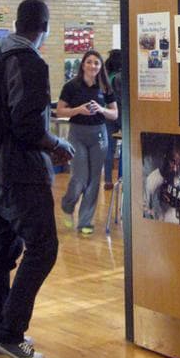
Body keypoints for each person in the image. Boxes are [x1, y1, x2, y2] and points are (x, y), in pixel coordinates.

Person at [0, 0, 75, 358]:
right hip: (19, 176)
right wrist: (57, 145)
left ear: (17, 23)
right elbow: (28, 126)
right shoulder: (30, 62)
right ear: (44, 28)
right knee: (43, 248)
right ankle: (10, 332)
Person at [57, 49, 118, 234]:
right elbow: (60, 111)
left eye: (97, 63)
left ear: (101, 67)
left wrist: (101, 109)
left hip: (98, 134)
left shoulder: (105, 87)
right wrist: (78, 110)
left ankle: (85, 221)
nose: (93, 66)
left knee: (93, 180)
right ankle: (68, 205)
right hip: (77, 134)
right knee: (79, 177)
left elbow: (114, 114)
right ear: (83, 64)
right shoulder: (71, 86)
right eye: (89, 62)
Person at [143, 140, 180, 224]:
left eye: (178, 164)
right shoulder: (152, 179)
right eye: (172, 162)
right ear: (165, 158)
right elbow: (145, 209)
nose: (175, 168)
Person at [102, 49, 122, 190]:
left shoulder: (107, 77)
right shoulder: (120, 77)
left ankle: (108, 180)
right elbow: (122, 99)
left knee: (109, 147)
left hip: (107, 114)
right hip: (120, 114)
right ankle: (122, 177)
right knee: (126, 145)